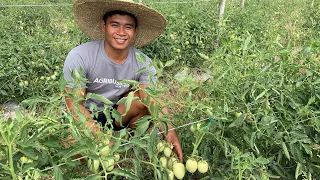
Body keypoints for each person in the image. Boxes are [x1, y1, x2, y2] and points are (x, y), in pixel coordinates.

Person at [63, 0, 183, 161]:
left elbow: (152, 97)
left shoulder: (143, 62)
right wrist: (100, 136)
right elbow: (75, 107)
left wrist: (169, 130)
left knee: (143, 101)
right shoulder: (80, 56)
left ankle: (128, 144)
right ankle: (106, 146)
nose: (121, 32)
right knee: (75, 147)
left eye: (128, 27)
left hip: (114, 113)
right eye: (114, 25)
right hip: (85, 113)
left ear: (135, 31)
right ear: (103, 26)